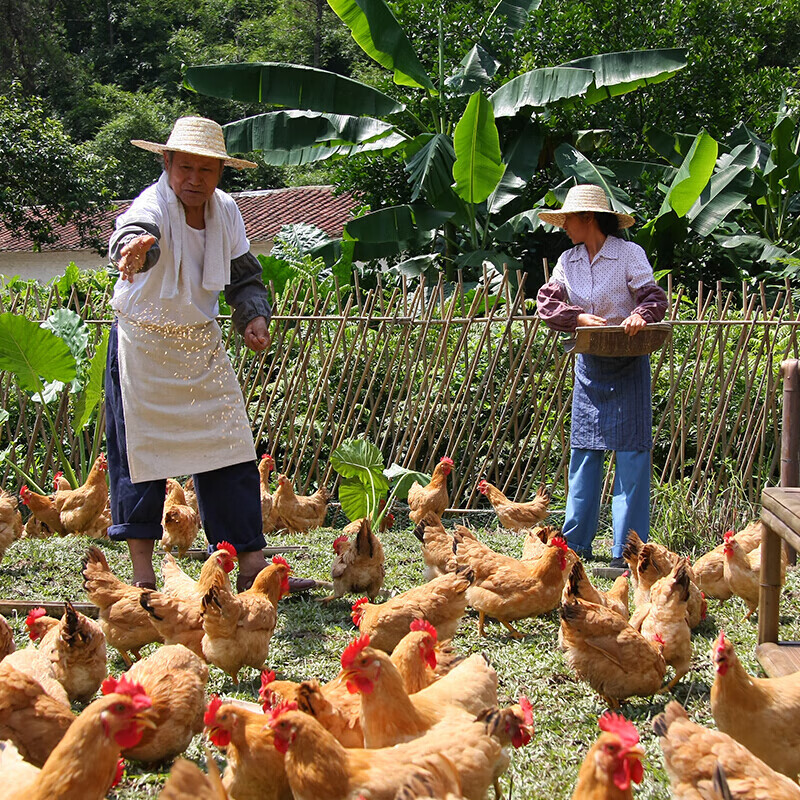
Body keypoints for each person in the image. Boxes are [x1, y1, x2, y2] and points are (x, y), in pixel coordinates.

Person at [105, 115, 315, 592]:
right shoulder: (151, 203)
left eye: (207, 170)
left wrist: (253, 317)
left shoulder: (227, 211)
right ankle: (142, 578)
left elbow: (243, 275)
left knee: (232, 449)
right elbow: (136, 233)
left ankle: (251, 566)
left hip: (199, 341)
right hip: (143, 345)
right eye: (186, 169)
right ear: (168, 163)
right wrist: (134, 250)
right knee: (140, 455)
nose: (195, 180)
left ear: (221, 172)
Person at [536, 184, 668, 569]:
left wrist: (639, 316)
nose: (564, 227)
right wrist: (575, 317)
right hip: (590, 365)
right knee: (584, 456)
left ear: (588, 218)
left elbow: (653, 297)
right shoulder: (568, 260)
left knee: (631, 457)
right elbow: (547, 303)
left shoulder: (629, 254)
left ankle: (625, 551)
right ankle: (575, 544)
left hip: (629, 364)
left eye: (568, 220)